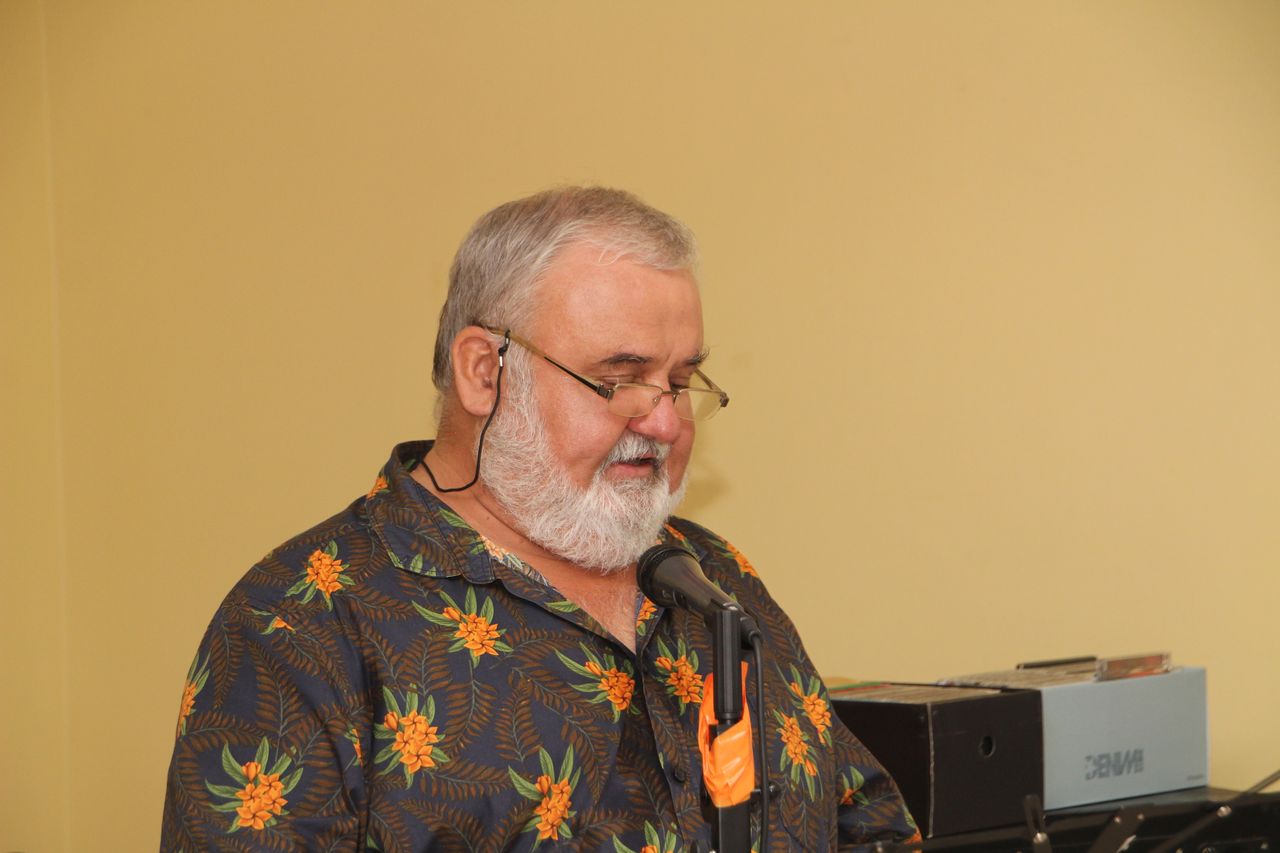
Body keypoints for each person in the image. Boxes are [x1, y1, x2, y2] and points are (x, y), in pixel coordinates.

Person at [161, 187, 919, 851]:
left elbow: (867, 825)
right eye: (619, 379)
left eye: (681, 380)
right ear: (484, 372)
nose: (664, 422)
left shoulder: (712, 577)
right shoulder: (303, 623)